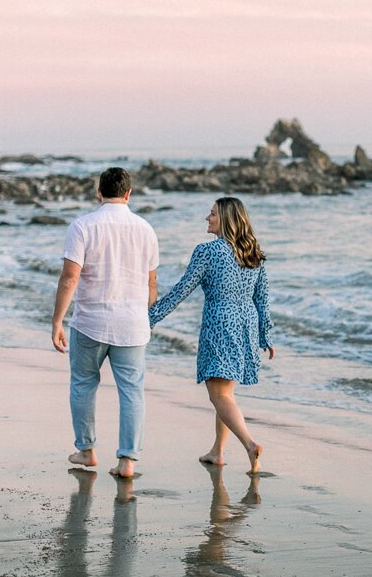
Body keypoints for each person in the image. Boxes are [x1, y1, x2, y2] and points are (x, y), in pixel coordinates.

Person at [150, 196, 274, 474]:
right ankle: (217, 451)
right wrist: (265, 335)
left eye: (213, 214)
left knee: (218, 395)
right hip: (246, 326)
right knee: (226, 392)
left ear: (227, 219)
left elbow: (183, 289)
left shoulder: (208, 252)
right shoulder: (253, 252)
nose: (208, 218)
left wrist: (152, 316)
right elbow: (263, 298)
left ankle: (250, 444)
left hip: (220, 324)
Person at [51, 167, 159, 479]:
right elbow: (152, 284)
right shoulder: (146, 229)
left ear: (99, 192)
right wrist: (146, 318)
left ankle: (86, 450)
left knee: (83, 384)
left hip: (90, 322)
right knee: (132, 391)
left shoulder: (82, 226)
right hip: (133, 325)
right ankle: (128, 461)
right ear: (128, 194)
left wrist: (57, 320)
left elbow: (70, 277)